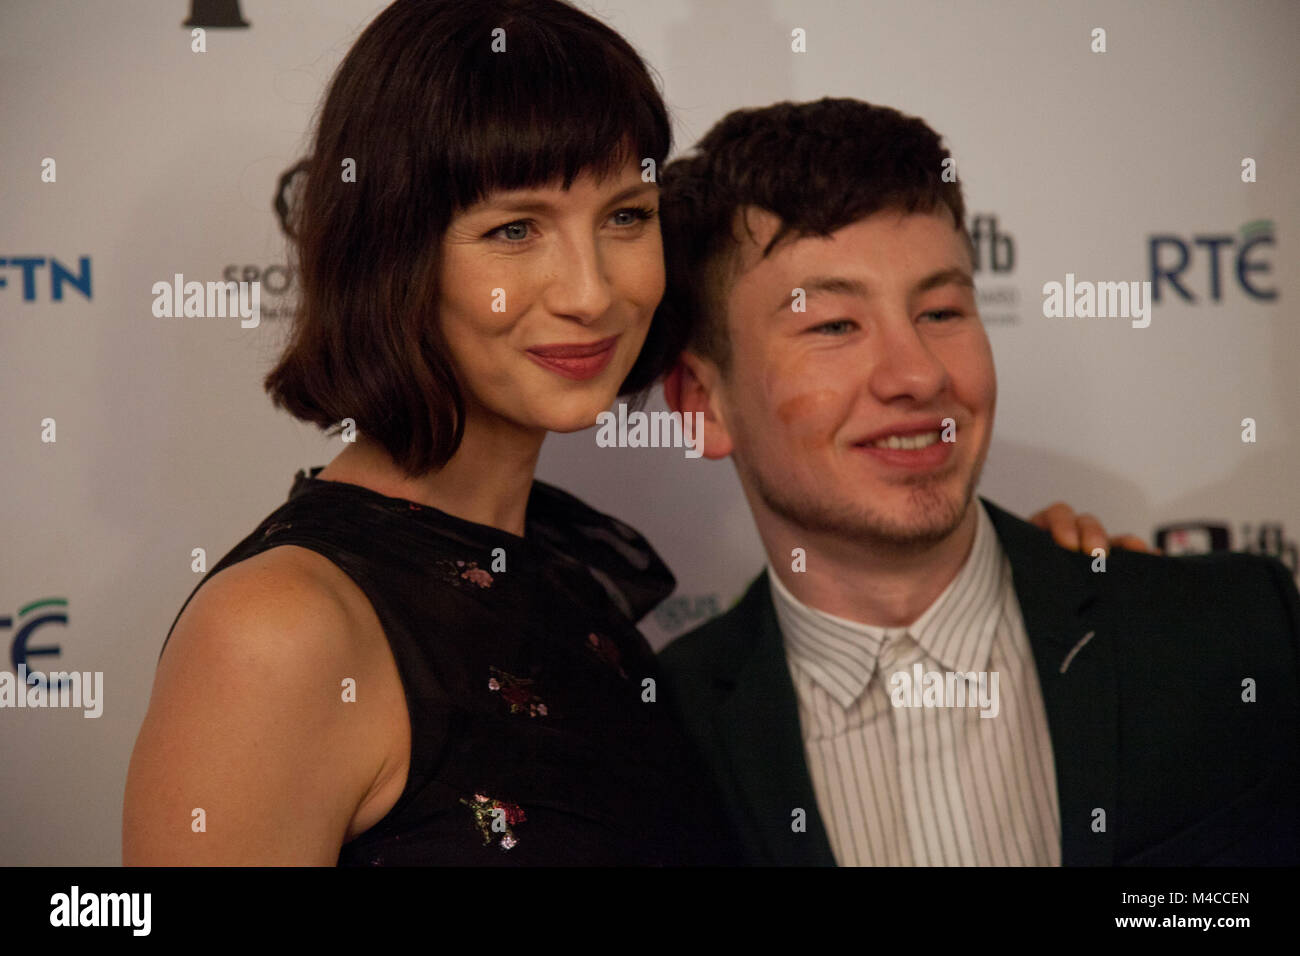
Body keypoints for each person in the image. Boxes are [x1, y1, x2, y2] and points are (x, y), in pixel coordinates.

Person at [123, 0, 1130, 866]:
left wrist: (1036, 590)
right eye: (513, 229)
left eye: (625, 215)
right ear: (393, 256)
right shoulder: (280, 631)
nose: (593, 290)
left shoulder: (569, 583)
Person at [656, 97, 1300, 866]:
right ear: (703, 405)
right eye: (833, 326)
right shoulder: (659, 736)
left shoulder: (1229, 639)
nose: (918, 375)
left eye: (941, 310)